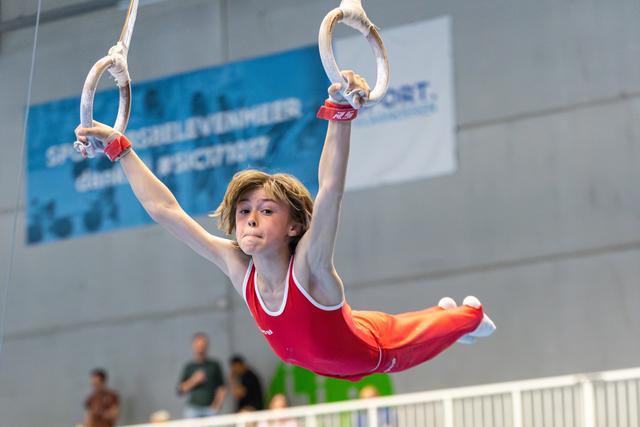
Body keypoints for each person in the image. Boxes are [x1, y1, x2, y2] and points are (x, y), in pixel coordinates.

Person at [74, 70, 495, 382]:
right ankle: (448, 316)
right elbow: (166, 210)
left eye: (267, 210)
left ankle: (467, 318)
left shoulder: (310, 266)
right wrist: (119, 148)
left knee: (453, 323)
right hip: (330, 349)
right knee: (419, 321)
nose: (251, 217)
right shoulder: (239, 268)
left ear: (295, 227)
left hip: (370, 352)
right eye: (243, 211)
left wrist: (342, 114)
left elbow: (330, 189)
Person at [177, 332, 226, 418]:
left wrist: (216, 406)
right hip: (193, 409)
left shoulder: (214, 365)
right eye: (198, 345)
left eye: (202, 345)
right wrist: (194, 381)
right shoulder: (189, 366)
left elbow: (222, 387)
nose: (200, 348)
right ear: (194, 346)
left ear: (206, 346)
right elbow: (180, 390)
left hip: (210, 409)